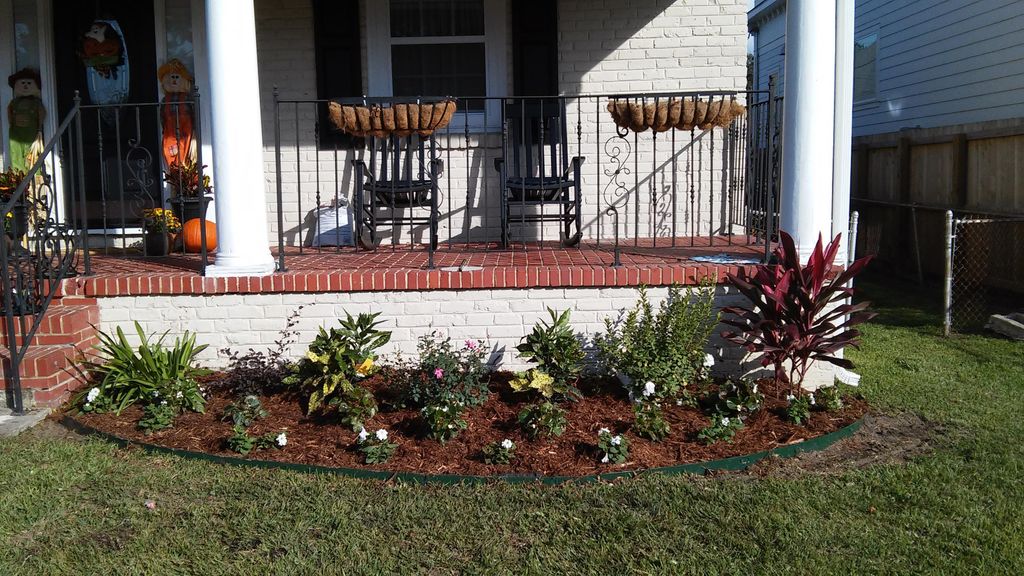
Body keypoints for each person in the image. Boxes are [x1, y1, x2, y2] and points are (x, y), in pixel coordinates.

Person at [6, 68, 45, 172]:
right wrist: (11, 124)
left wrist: (40, 128)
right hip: (16, 133)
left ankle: (35, 177)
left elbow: (41, 113)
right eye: (22, 83)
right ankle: (19, 177)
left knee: (32, 155)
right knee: (16, 153)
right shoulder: (14, 102)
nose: (25, 86)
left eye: (28, 83)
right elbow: (9, 113)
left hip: (31, 133)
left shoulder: (36, 102)